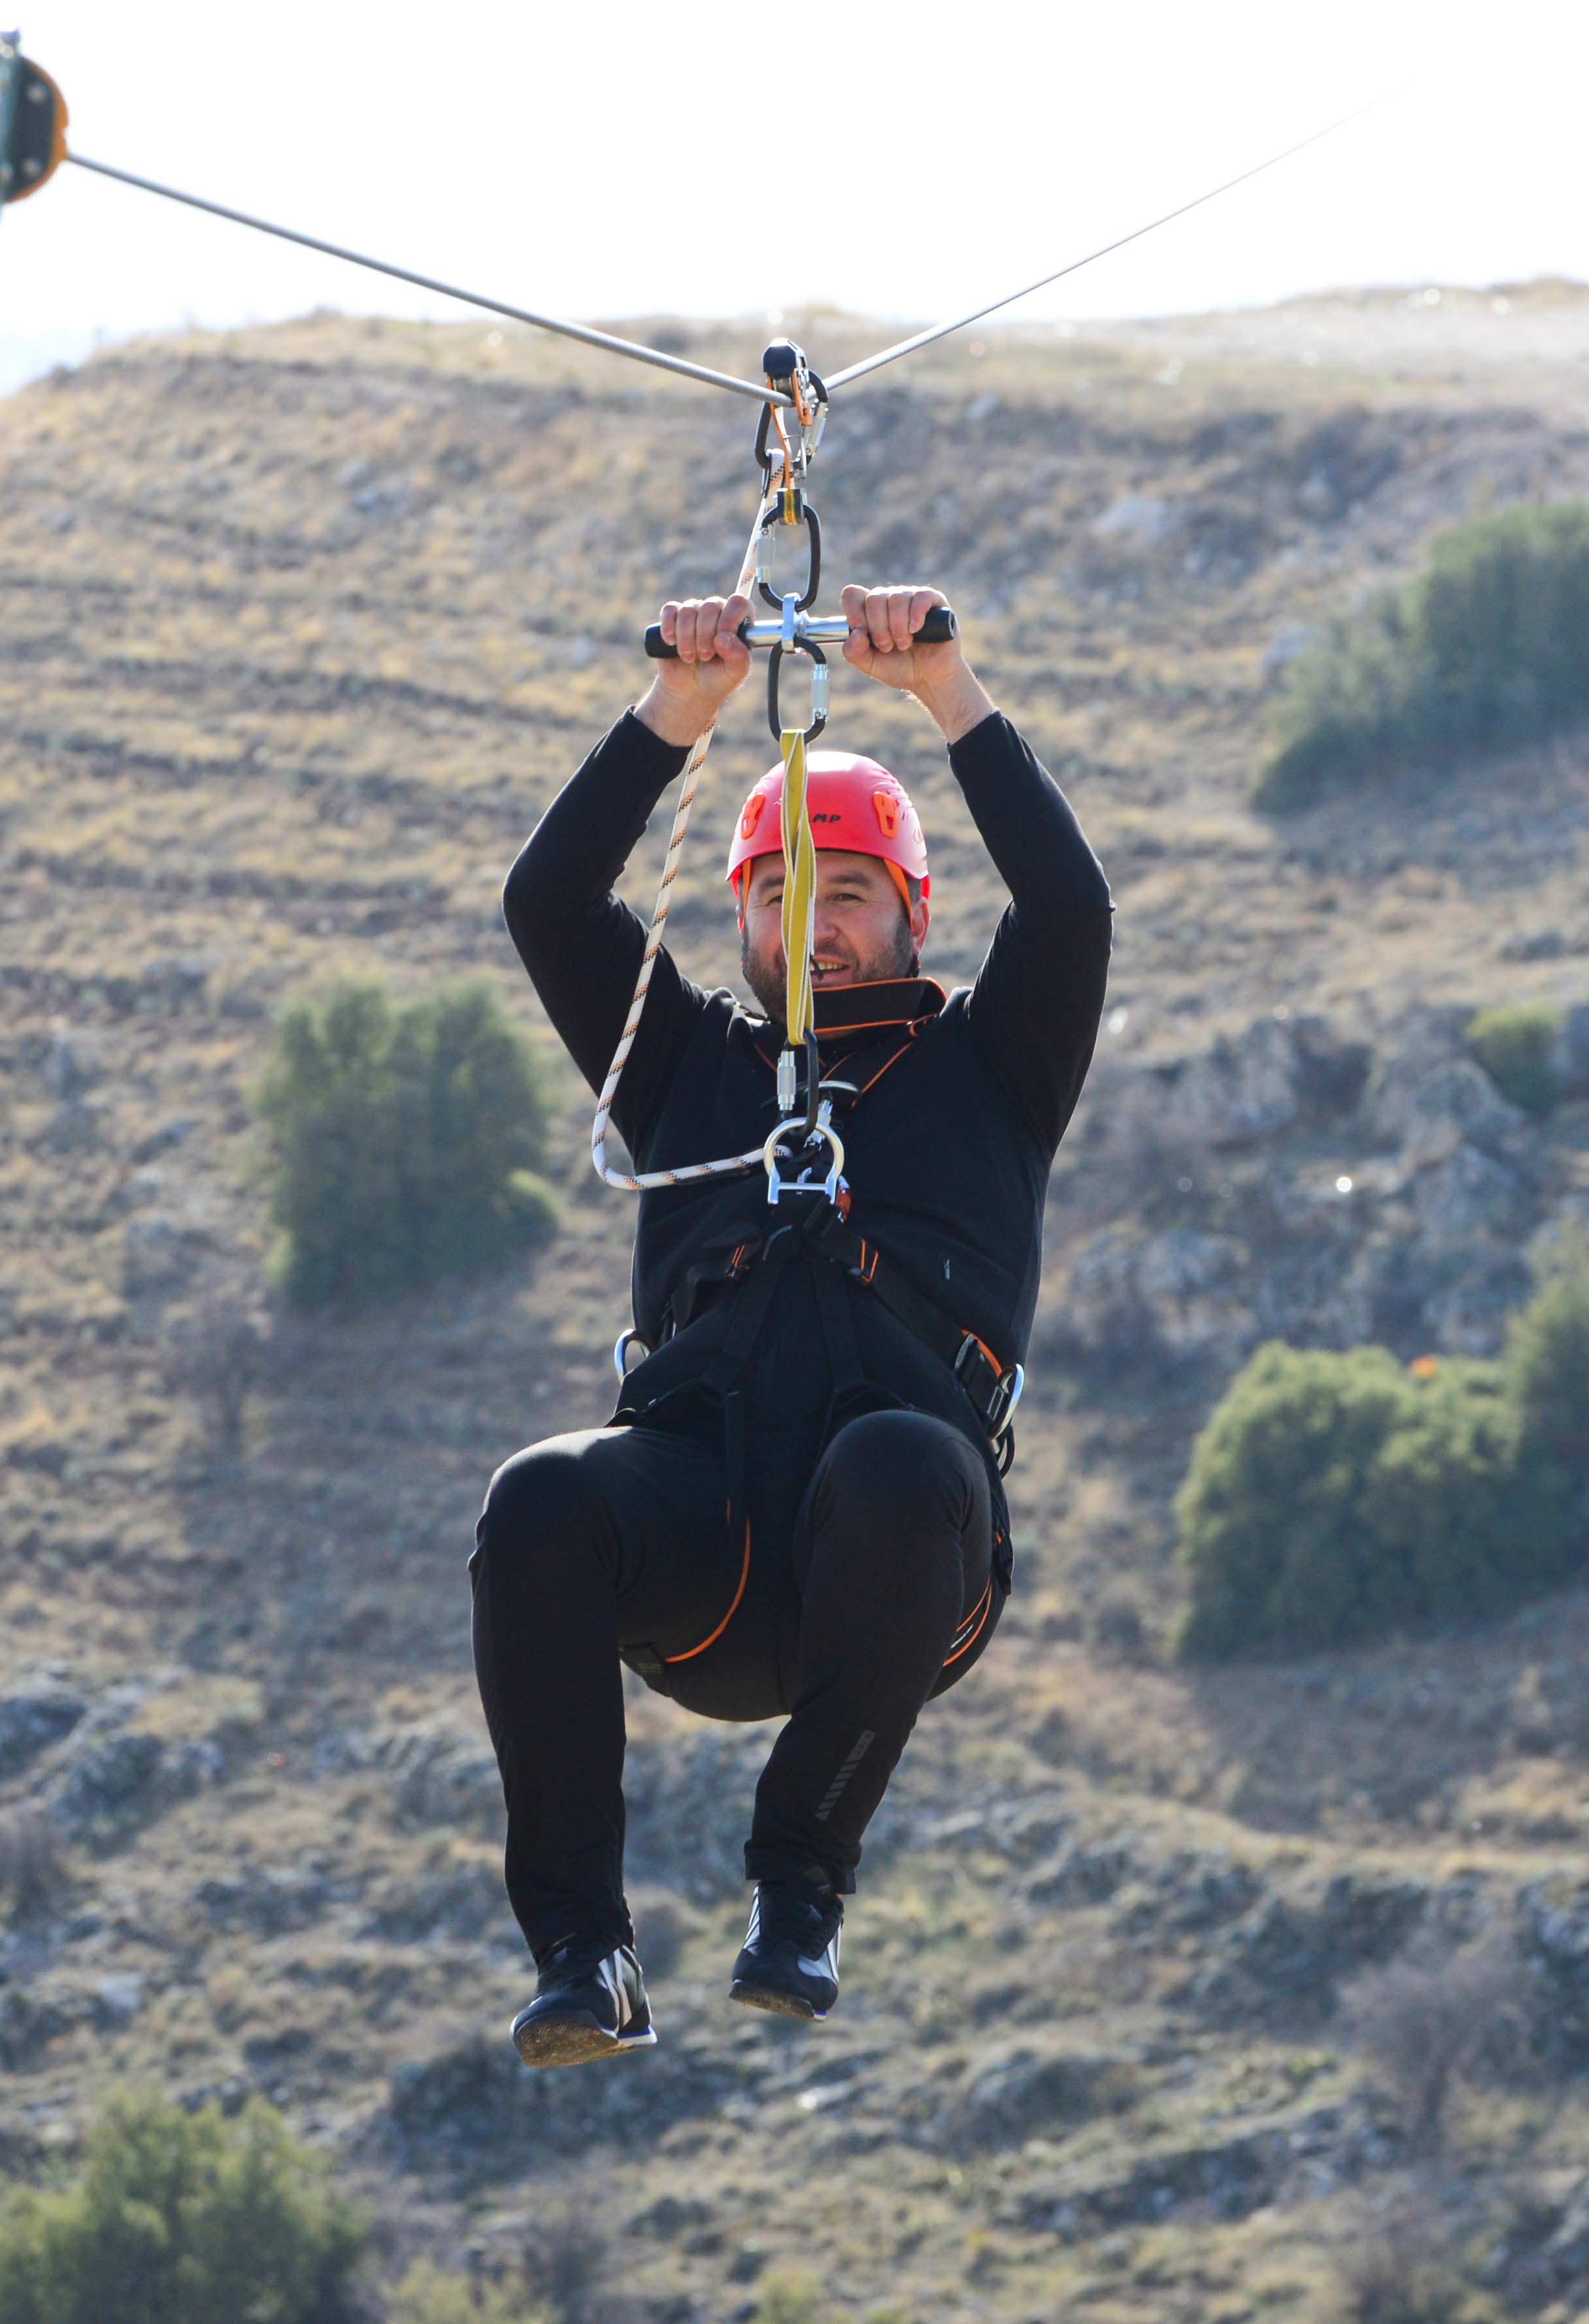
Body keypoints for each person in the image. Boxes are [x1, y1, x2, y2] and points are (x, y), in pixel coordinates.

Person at [477, 582, 1112, 2065]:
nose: (813, 929)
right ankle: (584, 1949)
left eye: (849, 896)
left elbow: (1071, 908)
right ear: (741, 912)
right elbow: (547, 906)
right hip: (704, 1549)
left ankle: (799, 1887)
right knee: (539, 1500)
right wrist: (674, 715)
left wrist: (948, 693)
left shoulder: (994, 1067)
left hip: (889, 1561)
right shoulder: (685, 1062)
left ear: (910, 911)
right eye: (782, 896)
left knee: (899, 1456)